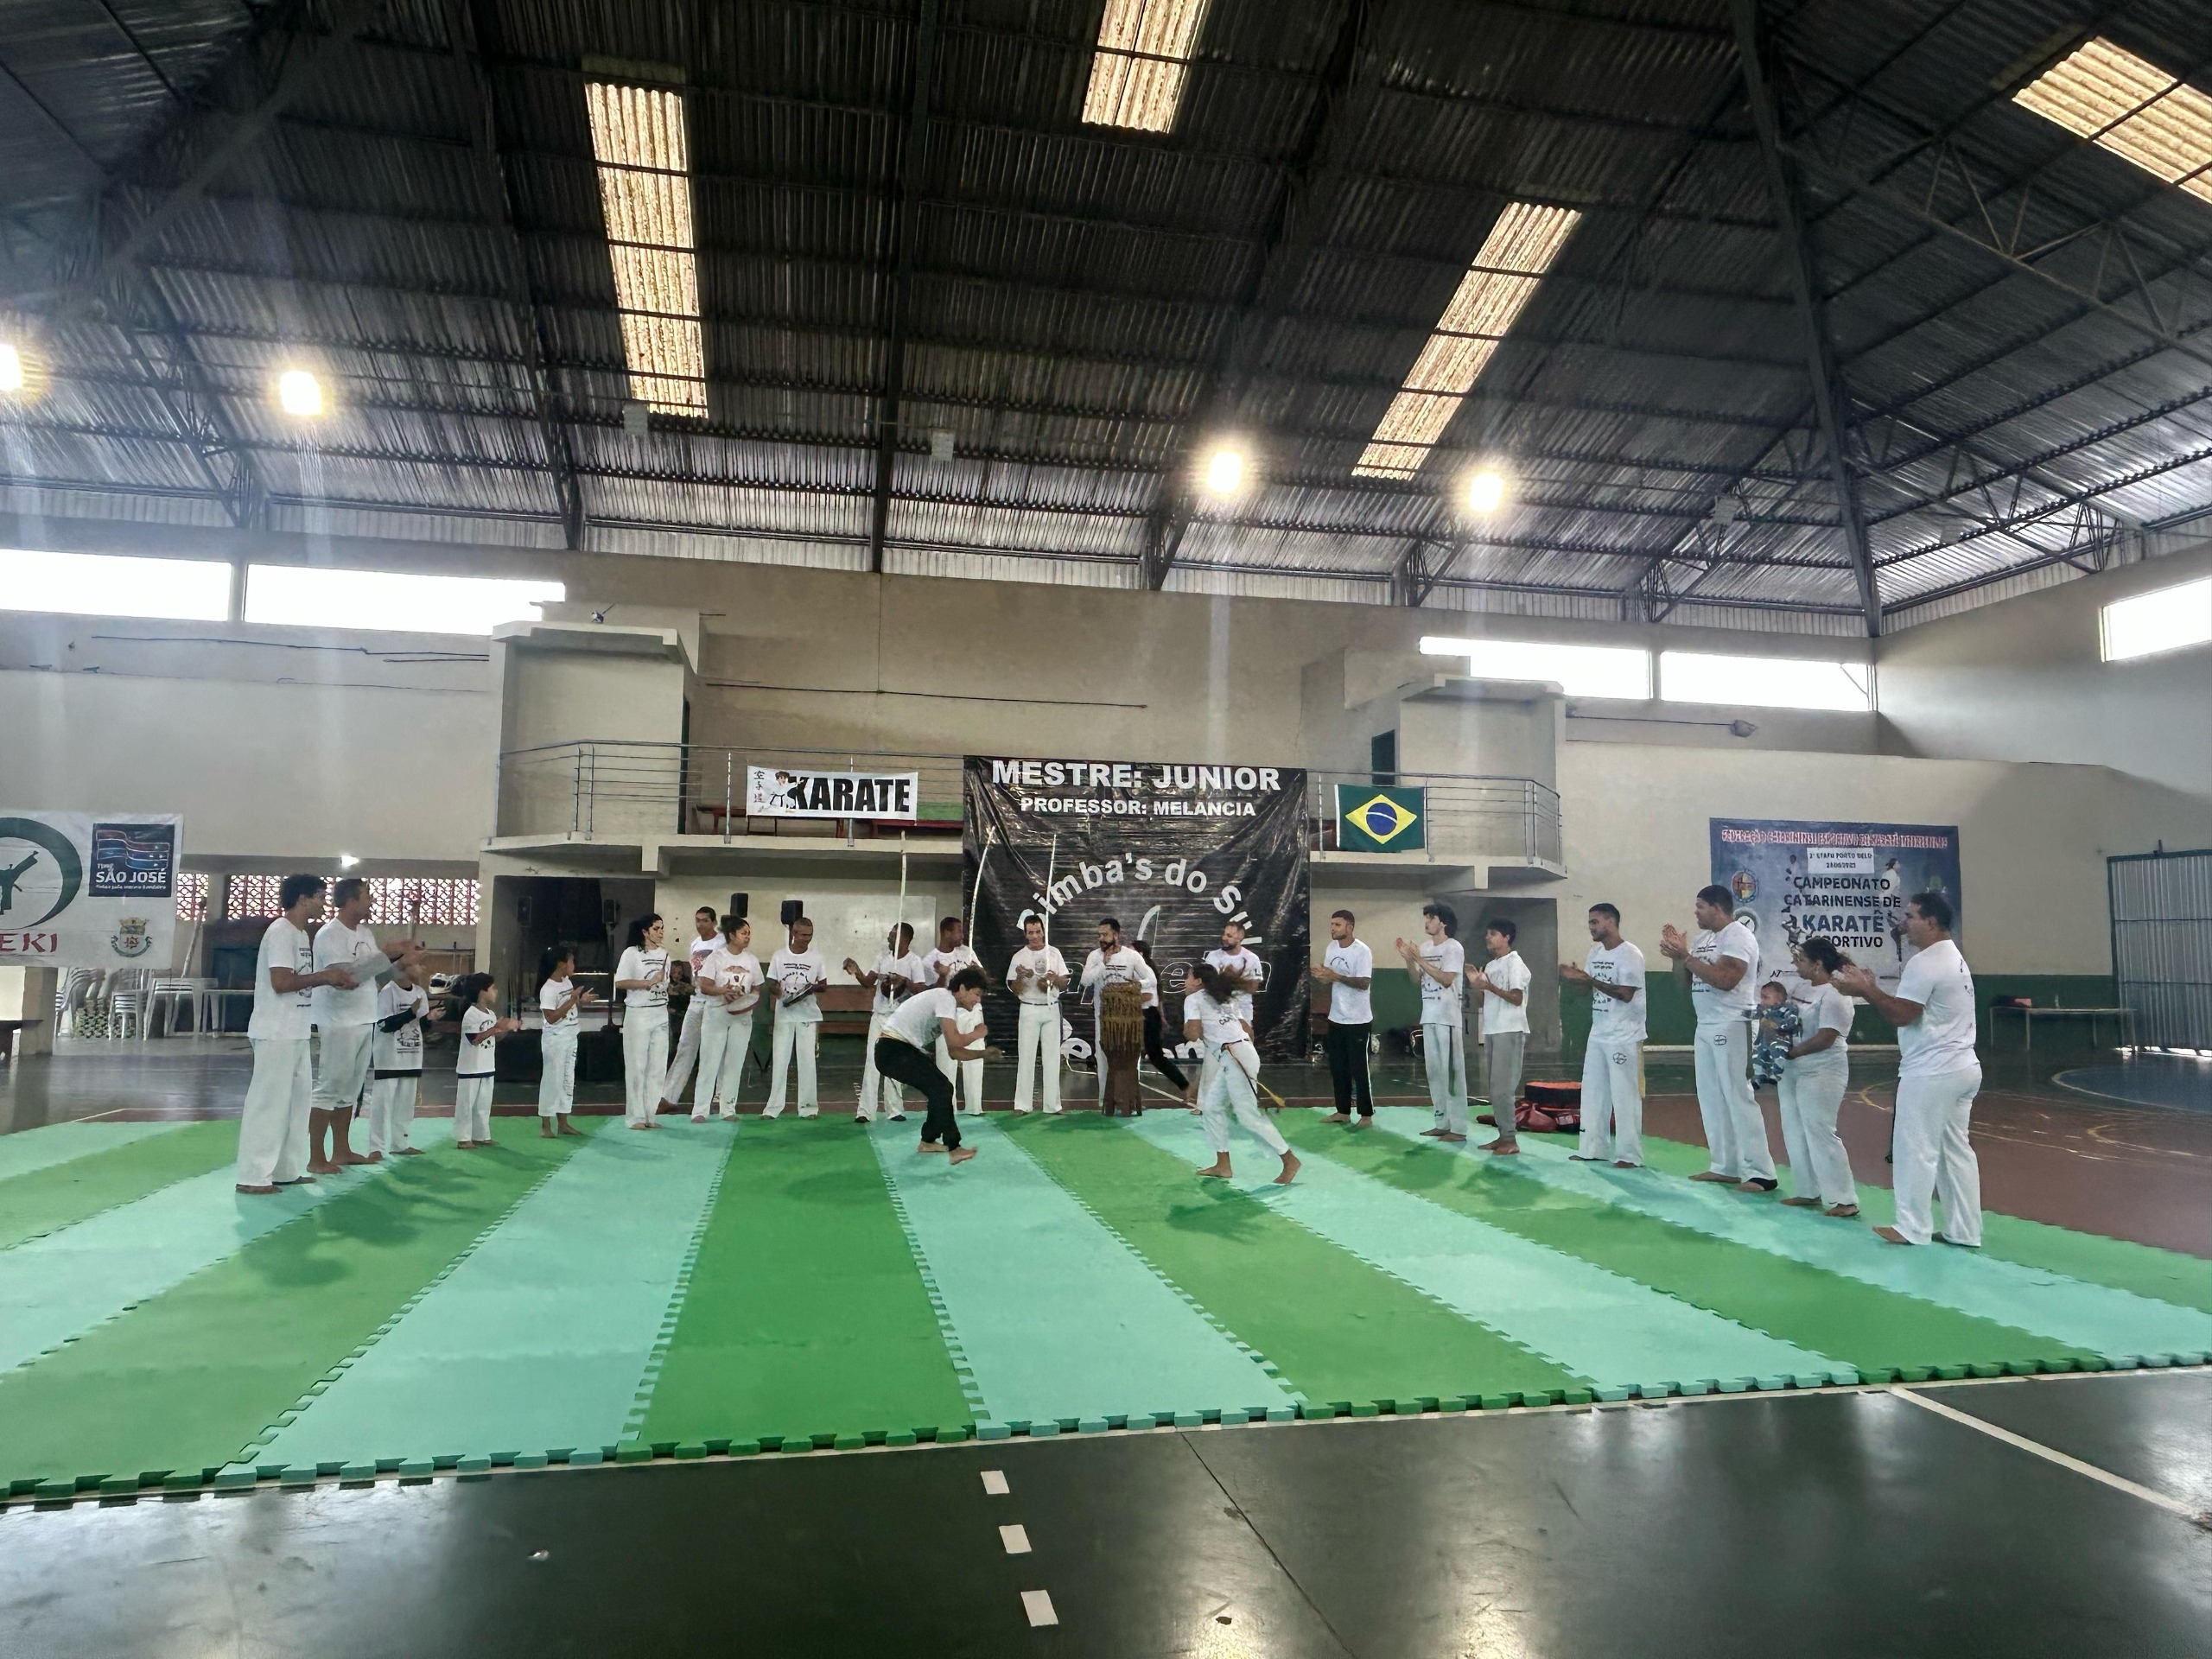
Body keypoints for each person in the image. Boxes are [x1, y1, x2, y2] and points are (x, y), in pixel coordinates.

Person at [1835, 893, 1981, 1247]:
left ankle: (1911, 1227)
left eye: (1911, 916)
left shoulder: (1926, 962)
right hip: (1962, 1067)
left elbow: (1902, 1015)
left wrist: (1867, 990)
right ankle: (1964, 1230)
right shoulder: (1953, 957)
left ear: (1930, 922)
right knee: (1955, 1152)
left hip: (1932, 1071)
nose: (1904, 922)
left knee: (1915, 1149)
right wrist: (1871, 988)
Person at [237, 874, 355, 1194]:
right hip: (275, 1030)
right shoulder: (280, 931)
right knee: (269, 1104)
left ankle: (286, 1170)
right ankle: (253, 1175)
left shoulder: (301, 934)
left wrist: (329, 978)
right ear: (303, 899)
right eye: (320, 896)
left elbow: (299, 979)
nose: (324, 903)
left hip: (296, 1030)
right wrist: (325, 977)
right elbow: (281, 983)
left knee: (296, 1104)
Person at [1661, 885, 1777, 1192]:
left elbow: (1726, 980)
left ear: (1717, 907)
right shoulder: (1703, 940)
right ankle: (1725, 1166)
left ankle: (1762, 1172)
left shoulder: (1738, 936)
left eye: (1700, 906)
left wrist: (1686, 956)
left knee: (1738, 1096)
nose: (1695, 912)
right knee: (1711, 1097)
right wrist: (1677, 958)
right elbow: (1683, 987)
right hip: (1706, 1024)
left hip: (1733, 1022)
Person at [308, 876, 417, 1173]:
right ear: (351, 900)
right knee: (330, 1087)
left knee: (351, 1089)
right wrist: (387, 954)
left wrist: (401, 963)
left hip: (364, 1017)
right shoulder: (330, 934)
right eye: (367, 896)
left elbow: (375, 975)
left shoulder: (366, 933)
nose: (371, 902)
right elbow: (345, 978)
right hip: (338, 1020)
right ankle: (316, 1157)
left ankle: (341, 1150)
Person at [1185, 963, 1299, 1185]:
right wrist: (1246, 1054)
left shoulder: (1193, 1000)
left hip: (1236, 1056)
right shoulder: (1225, 998)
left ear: (1198, 981)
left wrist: (1187, 1027)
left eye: (1188, 977)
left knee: (1247, 1116)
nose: (1185, 982)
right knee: (1211, 1107)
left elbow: (1193, 1034)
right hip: (1240, 1053)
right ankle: (1223, 1165)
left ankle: (1289, 1159)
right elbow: (1248, 1029)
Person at [874, 965, 993, 1165]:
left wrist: (982, 1054)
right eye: (976, 994)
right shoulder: (945, 998)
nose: (978, 1000)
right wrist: (977, 1034)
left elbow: (954, 1052)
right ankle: (953, 1147)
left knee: (942, 1088)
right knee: (941, 1088)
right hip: (893, 1049)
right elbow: (955, 1042)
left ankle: (928, 1141)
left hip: (896, 1050)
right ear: (962, 988)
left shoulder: (948, 1005)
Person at [1778, 939, 1859, 1217]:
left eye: (1800, 959)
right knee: (1794, 1128)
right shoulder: (1800, 989)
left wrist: (1793, 1052)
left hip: (1823, 1069)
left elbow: (1826, 1038)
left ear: (1817, 964)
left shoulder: (1836, 994)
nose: (1795, 964)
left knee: (1820, 1130)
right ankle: (1807, 1190)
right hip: (1794, 1067)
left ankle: (1844, 1199)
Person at [1561, 902, 1645, 1168]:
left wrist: (1589, 980)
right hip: (1598, 1032)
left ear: (1611, 922)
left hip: (1624, 1035)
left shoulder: (1630, 954)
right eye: (1590, 922)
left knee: (1625, 1096)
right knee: (1593, 1093)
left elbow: (1625, 994)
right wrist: (1575, 979)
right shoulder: (1595, 952)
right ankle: (1593, 1149)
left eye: (1595, 922)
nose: (1591, 927)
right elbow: (1587, 991)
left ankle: (1629, 1155)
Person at [1397, 902, 1467, 1141]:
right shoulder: (1426, 947)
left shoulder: (1453, 947)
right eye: (1426, 918)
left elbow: (1447, 979)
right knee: (1434, 1073)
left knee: (1453, 1074)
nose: (1427, 923)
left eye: (1431, 918)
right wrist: (1410, 960)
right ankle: (1441, 1122)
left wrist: (1420, 959)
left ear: (1443, 922)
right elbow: (1416, 980)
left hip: (1448, 1018)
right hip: (1429, 1015)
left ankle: (1458, 1128)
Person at [1467, 917, 1531, 1155]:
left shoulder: (1514, 962)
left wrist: (1490, 987)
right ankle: (1503, 1135)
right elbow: (1484, 1001)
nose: (1488, 937)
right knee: (1495, 1088)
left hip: (1509, 1028)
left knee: (1504, 1088)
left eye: (1493, 934)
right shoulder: (1491, 966)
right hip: (1493, 1029)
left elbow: (1516, 998)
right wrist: (1476, 985)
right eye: (1487, 933)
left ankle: (1510, 1139)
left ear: (1507, 938)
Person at [847, 923, 923, 1122]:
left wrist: (904, 981)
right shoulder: (882, 957)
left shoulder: (914, 961)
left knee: (895, 1062)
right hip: (880, 1016)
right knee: (872, 1061)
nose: (889, 938)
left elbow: (921, 989)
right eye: (890, 934)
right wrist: (857, 971)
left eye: (893, 935)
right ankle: (865, 1111)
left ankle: (895, 1110)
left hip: (901, 1019)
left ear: (905, 939)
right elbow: (868, 982)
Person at [693, 914, 760, 1122]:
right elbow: (705, 986)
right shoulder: (716, 957)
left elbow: (757, 988)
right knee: (709, 1061)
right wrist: (723, 991)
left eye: (749, 933)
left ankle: (728, 1108)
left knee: (735, 1063)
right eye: (743, 933)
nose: (748, 937)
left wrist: (745, 998)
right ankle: (700, 1110)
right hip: (716, 1014)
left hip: (742, 1016)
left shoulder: (751, 959)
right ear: (732, 935)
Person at [365, 957, 433, 1160]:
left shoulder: (420, 993)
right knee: (382, 1104)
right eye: (417, 963)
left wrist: (430, 1019)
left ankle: (400, 1143)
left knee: (406, 1105)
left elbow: (422, 1026)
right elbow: (384, 1025)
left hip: (412, 1056)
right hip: (389, 1057)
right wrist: (410, 1013)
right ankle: (375, 1147)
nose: (422, 967)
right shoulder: (388, 992)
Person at [1081, 917, 1150, 1114]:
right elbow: (1085, 981)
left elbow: (1151, 979)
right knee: (1104, 1059)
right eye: (1099, 935)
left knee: (1130, 1060)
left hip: (1128, 1019)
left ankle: (1129, 1100)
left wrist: (1135, 985)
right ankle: (1106, 1101)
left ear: (1116, 935)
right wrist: (1103, 964)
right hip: (1103, 1018)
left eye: (1105, 934)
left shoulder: (1132, 956)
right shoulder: (1095, 956)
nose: (1101, 938)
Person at [658, 906, 723, 1114]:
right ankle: (669, 1097)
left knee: (715, 1050)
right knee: (685, 1046)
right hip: (696, 999)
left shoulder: (722, 942)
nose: (700, 924)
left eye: (704, 920)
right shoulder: (695, 943)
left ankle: (720, 1097)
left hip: (715, 1000)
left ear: (713, 922)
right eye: (697, 920)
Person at [765, 916, 829, 1119]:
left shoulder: (816, 957)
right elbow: (770, 981)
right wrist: (777, 991)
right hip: (784, 1015)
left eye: (810, 935)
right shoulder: (779, 956)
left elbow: (824, 984)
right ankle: (773, 1108)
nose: (807, 939)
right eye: (803, 935)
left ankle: (809, 1108)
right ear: (793, 933)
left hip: (807, 1015)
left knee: (807, 1061)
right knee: (780, 1060)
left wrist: (811, 988)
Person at [1314, 909, 1374, 1126]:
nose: (1333, 929)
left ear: (1350, 927)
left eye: (1337, 925)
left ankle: (1366, 1115)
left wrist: (1336, 976)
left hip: (1358, 1020)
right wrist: (1322, 975)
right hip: (1336, 1017)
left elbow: (1364, 983)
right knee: (1338, 1068)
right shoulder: (1331, 948)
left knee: (1359, 1069)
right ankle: (1343, 1111)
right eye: (1332, 924)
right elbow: (1330, 979)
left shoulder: (1362, 951)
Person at [921, 917, 985, 1115]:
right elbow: (931, 992)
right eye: (958, 931)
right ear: (947, 933)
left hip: (973, 1012)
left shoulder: (967, 952)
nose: (962, 935)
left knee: (975, 1059)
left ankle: (975, 1108)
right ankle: (948, 1109)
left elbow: (982, 979)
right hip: (948, 1015)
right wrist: (942, 975)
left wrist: (978, 971)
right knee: (947, 1063)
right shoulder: (930, 960)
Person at [1007, 915, 1070, 1114]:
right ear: (1025, 934)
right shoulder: (1019, 957)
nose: (1034, 936)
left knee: (1052, 1058)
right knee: (1026, 1056)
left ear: (1043, 931)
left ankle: (1053, 1105)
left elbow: (1065, 983)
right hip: (1029, 1007)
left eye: (1037, 932)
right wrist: (1020, 977)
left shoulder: (1054, 953)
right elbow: (1013, 989)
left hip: (1051, 1007)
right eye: (1030, 932)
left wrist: (1055, 978)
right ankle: (1022, 1105)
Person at [615, 914, 672, 1130]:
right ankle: (635, 1116)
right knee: (637, 1066)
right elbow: (620, 982)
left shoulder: (665, 954)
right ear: (645, 932)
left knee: (657, 1067)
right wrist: (647, 982)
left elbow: (664, 983)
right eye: (656, 928)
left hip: (660, 1012)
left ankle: (650, 1114)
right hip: (639, 1013)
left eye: (662, 928)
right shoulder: (632, 953)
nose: (661, 932)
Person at [450, 973, 518, 1147]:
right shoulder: (471, 1014)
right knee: (466, 1104)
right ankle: (463, 1138)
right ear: (482, 992)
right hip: (470, 1067)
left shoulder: (490, 1014)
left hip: (487, 1065)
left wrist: (506, 1028)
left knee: (483, 1104)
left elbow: (495, 1036)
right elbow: (474, 1039)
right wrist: (496, 1028)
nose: (496, 991)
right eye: (492, 988)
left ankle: (481, 1135)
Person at [537, 943, 594, 1138]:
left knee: (567, 1081)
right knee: (552, 1080)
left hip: (570, 1036)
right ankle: (545, 1125)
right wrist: (572, 1000)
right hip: (555, 1040)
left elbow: (573, 1006)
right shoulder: (548, 989)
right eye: (571, 961)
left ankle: (563, 1123)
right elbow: (551, 1018)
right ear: (561, 964)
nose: (573, 965)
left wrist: (581, 1000)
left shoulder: (567, 982)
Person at [1128, 939, 1192, 1103]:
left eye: (1131, 950)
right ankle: (1130, 1097)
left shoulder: (1145, 971)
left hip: (1146, 1016)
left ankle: (1185, 1086)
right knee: (1134, 1057)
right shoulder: (1139, 970)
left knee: (1155, 1056)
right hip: (1144, 1015)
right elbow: (1157, 997)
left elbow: (1149, 996)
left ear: (1140, 954)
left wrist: (1123, 998)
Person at [1751, 982, 1802, 1091]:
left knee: (1777, 1052)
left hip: (1781, 1038)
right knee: (1759, 1054)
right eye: (1761, 998)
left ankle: (1776, 1073)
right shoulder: (1764, 1009)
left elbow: (1791, 1023)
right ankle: (1759, 1075)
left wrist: (1776, 1026)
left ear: (1779, 999)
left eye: (1766, 998)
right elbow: (1754, 1015)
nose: (1762, 1001)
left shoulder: (1789, 1009)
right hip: (1765, 1040)